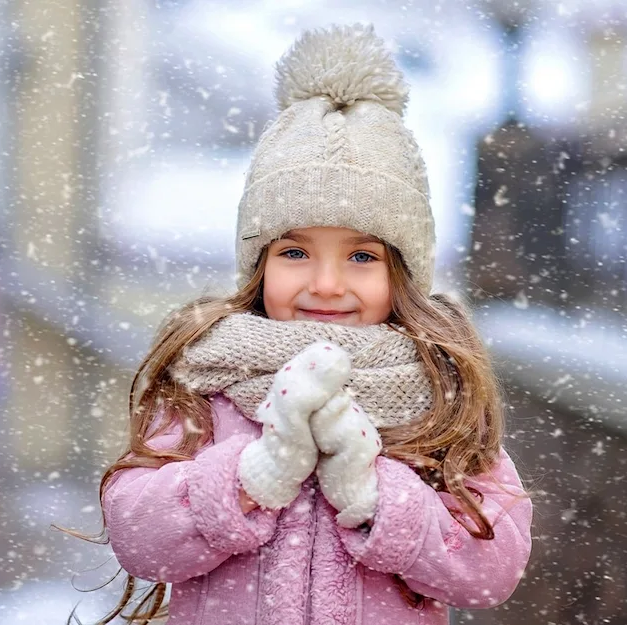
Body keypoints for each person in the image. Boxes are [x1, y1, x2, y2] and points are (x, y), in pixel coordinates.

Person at [89, 23, 532, 625]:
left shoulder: (436, 393)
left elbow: (490, 569)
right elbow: (137, 536)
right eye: (295, 253)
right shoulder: (210, 381)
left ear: (401, 274)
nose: (326, 283)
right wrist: (254, 475)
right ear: (259, 265)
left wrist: (374, 495)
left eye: (361, 256)